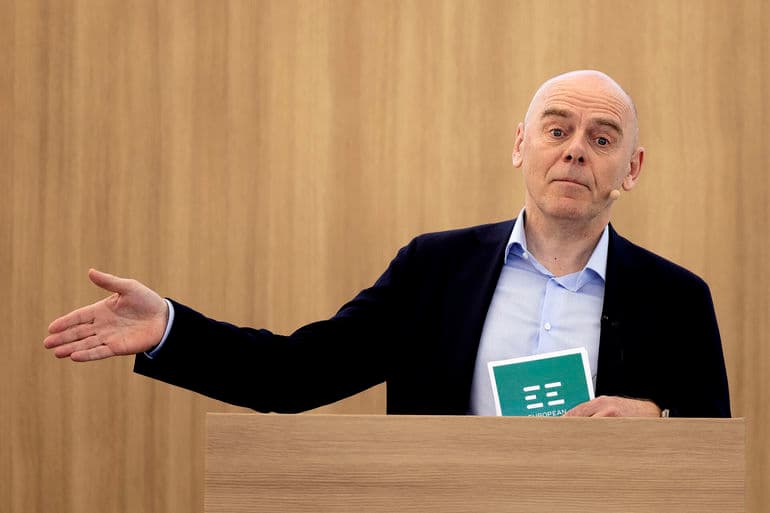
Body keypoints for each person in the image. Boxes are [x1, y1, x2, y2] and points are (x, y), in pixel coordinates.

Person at [43, 70, 731, 418]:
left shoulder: (676, 299)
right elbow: (294, 374)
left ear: (632, 169)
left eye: (602, 139)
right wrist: (169, 328)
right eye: (557, 130)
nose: (575, 150)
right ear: (521, 144)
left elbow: (712, 461)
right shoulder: (435, 271)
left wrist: (660, 422)